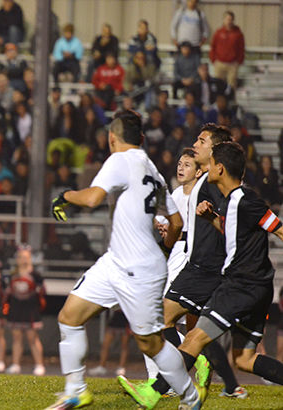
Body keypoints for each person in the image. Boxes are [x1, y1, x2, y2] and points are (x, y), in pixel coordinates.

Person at [47, 110, 199, 409]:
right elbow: (177, 222)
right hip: (116, 261)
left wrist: (65, 195)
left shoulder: (119, 159)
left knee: (151, 344)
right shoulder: (151, 168)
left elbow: (92, 198)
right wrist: (164, 252)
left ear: (111, 137)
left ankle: (191, 398)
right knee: (69, 317)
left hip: (138, 270)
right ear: (142, 138)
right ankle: (76, 390)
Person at [125, 142, 283, 407]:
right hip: (257, 287)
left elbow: (278, 228)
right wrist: (211, 219)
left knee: (194, 338)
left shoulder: (246, 200)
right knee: (244, 359)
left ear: (219, 168)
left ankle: (154, 392)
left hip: (242, 285)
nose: (205, 168)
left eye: (209, 164)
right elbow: (236, 231)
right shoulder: (232, 202)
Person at [141, 149, 198, 390]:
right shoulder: (176, 193)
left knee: (159, 318)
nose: (181, 167)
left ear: (199, 170)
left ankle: (169, 377)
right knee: (158, 319)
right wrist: (161, 226)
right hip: (175, 255)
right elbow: (169, 225)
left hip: (191, 258)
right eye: (179, 162)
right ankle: (159, 378)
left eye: (187, 164)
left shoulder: (201, 194)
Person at [4, 245, 46, 376]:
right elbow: (8, 294)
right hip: (16, 308)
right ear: (17, 259)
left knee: (32, 337)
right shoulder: (13, 275)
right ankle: (15, 364)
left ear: (30, 259)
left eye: (26, 257)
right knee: (16, 337)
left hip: (31, 310)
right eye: (21, 257)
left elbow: (42, 293)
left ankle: (39, 365)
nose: (23, 260)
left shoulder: (36, 275)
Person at [209, 11, 244, 89]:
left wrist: (238, 61)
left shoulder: (238, 34)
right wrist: (213, 60)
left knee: (232, 86)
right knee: (218, 85)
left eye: (231, 19)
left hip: (232, 64)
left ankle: (231, 101)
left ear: (233, 20)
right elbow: (213, 46)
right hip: (220, 63)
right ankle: (219, 101)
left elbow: (241, 48)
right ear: (224, 20)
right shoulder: (218, 33)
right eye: (227, 19)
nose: (229, 21)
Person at [91, 310, 131, 377]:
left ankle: (121, 367)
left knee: (124, 346)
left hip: (126, 322)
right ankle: (102, 366)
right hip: (114, 321)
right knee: (105, 345)